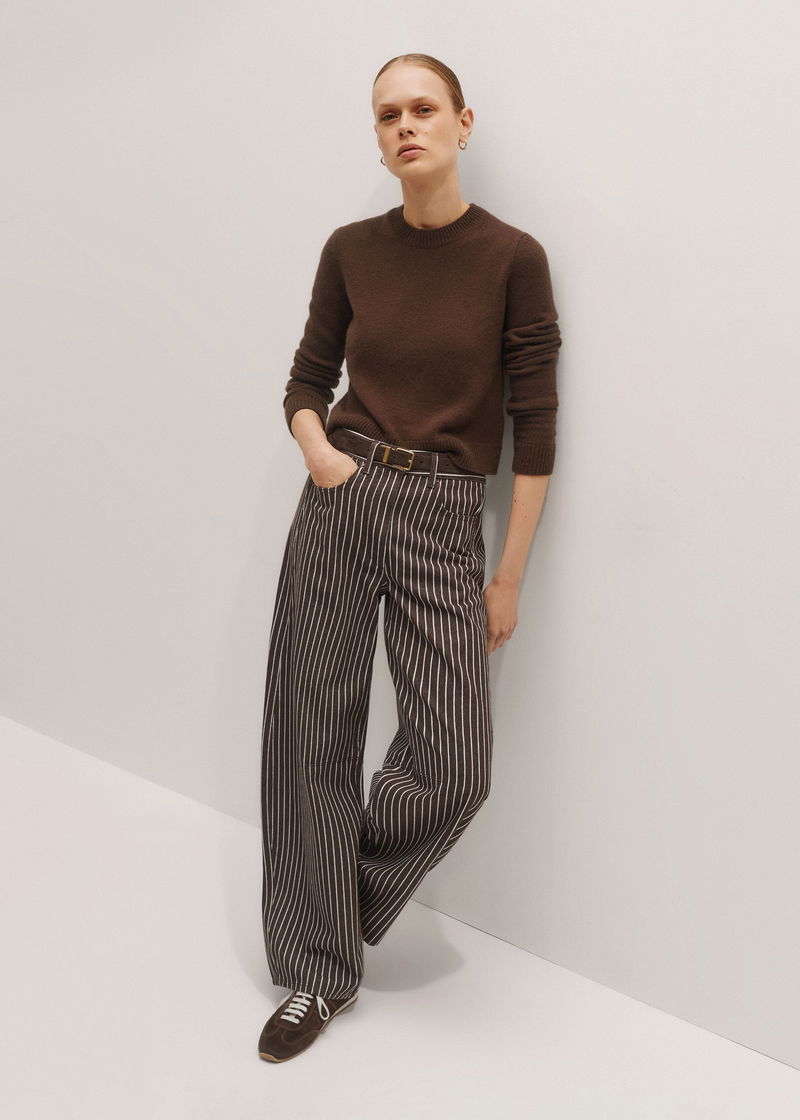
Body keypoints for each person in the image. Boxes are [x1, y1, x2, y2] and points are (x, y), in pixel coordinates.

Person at [257, 52, 562, 1063]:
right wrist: (320, 454)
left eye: (423, 108)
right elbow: (306, 379)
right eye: (387, 114)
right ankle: (314, 972)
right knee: (311, 731)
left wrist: (506, 574)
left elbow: (534, 424)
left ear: (463, 123)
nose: (405, 126)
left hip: (443, 511)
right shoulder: (351, 249)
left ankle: (327, 902)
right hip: (340, 495)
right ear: (378, 137)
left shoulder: (512, 257)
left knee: (455, 764)